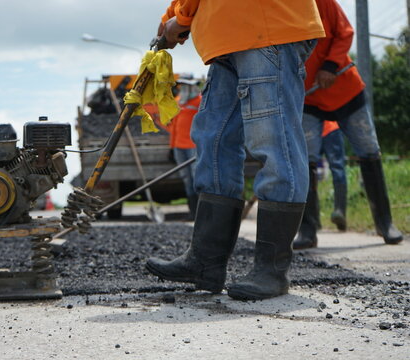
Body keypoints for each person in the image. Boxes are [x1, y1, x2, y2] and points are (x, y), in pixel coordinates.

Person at [145, 1, 325, 300]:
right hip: (229, 38)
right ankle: (205, 263)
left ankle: (271, 270)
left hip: (265, 28)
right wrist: (173, 19)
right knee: (213, 138)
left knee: (273, 140)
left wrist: (181, 19)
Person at [293, 0, 403, 250]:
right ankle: (308, 230)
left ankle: (385, 224)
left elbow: (344, 32)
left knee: (369, 151)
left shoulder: (323, 3)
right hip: (307, 97)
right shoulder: (277, 9)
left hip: (345, 90)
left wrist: (330, 66)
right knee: (305, 159)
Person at [167, 75, 200, 219]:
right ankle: (193, 212)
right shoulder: (178, 102)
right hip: (179, 147)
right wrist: (172, 146)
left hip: (194, 146)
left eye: (187, 86)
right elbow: (173, 126)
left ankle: (201, 213)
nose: (185, 89)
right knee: (186, 178)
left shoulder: (200, 101)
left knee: (196, 178)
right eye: (183, 86)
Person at [321, 121, 347, 231]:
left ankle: (340, 212)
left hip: (330, 127)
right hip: (308, 127)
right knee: (308, 169)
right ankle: (311, 222)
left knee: (337, 168)